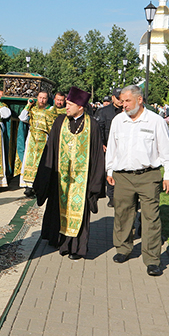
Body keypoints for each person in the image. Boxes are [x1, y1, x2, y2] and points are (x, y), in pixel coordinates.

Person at [105, 85, 169, 277]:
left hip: (148, 176)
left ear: (139, 100)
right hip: (123, 176)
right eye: (122, 101)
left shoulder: (155, 121)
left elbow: (167, 150)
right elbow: (112, 146)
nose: (124, 105)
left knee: (150, 217)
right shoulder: (118, 121)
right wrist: (110, 169)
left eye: (127, 101)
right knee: (122, 214)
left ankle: (152, 260)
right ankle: (123, 248)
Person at [33, 87, 105, 260]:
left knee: (78, 213)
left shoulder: (92, 126)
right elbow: (50, 151)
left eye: (70, 104)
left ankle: (75, 248)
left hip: (82, 181)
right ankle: (58, 240)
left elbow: (97, 156)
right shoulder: (60, 122)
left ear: (80, 106)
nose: (66, 107)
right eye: (66, 103)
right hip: (60, 179)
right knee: (57, 209)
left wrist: (95, 183)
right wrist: (45, 176)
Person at [19, 90, 55, 196]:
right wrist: (28, 105)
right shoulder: (33, 109)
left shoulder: (51, 110)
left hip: (44, 138)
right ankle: (28, 186)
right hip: (32, 138)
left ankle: (38, 185)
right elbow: (22, 117)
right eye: (40, 98)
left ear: (47, 99)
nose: (42, 100)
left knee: (41, 162)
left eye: (44, 98)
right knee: (28, 160)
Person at [94, 88, 123, 207]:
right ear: (113, 98)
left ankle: (121, 195)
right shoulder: (104, 111)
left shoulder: (127, 111)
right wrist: (101, 143)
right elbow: (98, 128)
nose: (121, 100)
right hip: (108, 146)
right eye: (118, 98)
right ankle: (111, 197)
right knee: (110, 171)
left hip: (123, 146)